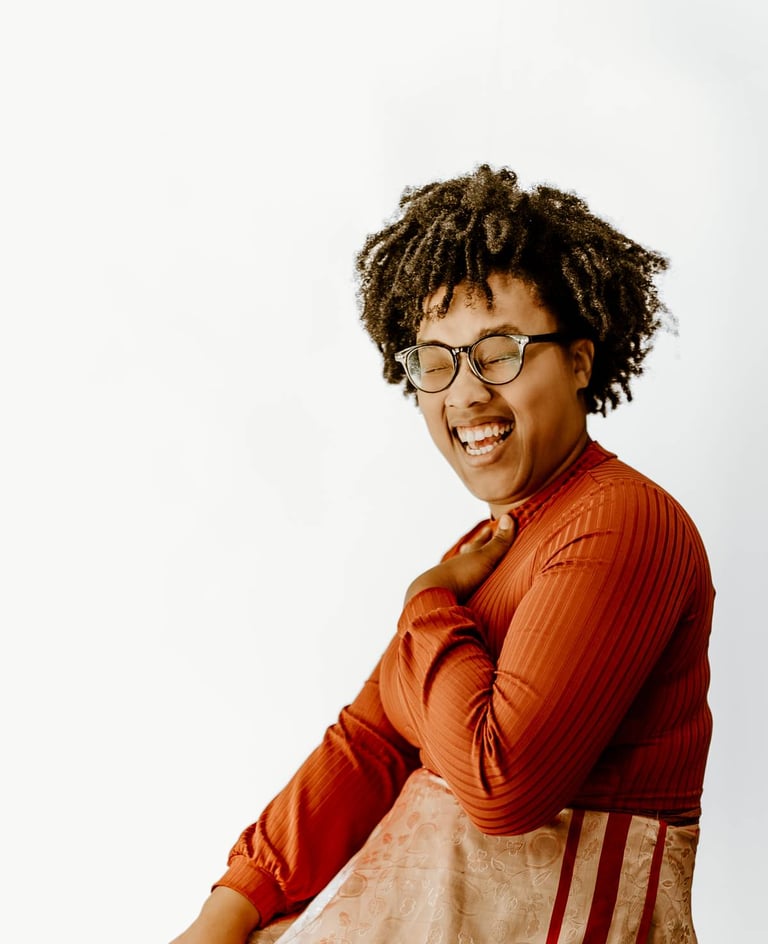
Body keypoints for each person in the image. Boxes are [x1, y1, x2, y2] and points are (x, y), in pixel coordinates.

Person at [171, 165, 713, 944]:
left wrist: (426, 601)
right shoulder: (488, 550)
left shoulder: (623, 523)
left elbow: (503, 785)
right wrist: (225, 915)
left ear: (580, 361)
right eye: (435, 360)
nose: (463, 394)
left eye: (499, 352)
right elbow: (370, 743)